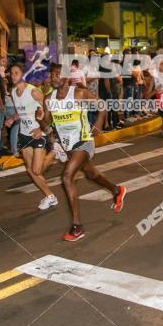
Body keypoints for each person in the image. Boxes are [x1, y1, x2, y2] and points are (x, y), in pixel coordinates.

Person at [46, 75, 127, 242]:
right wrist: (42, 121)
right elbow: (47, 125)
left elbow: (101, 105)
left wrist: (99, 122)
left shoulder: (79, 94)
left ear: (66, 78)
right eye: (51, 74)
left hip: (84, 142)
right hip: (69, 147)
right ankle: (117, 190)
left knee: (67, 177)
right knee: (92, 175)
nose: (52, 77)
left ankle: (77, 227)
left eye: (56, 74)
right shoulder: (49, 99)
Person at [4, 64, 58, 210]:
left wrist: (42, 128)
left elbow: (50, 109)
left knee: (36, 170)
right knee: (30, 171)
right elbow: (21, 112)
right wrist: (12, 119)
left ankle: (55, 152)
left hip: (38, 133)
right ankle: (50, 196)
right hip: (24, 134)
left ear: (23, 75)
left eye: (16, 73)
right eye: (11, 73)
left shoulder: (33, 91)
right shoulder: (14, 92)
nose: (13, 75)